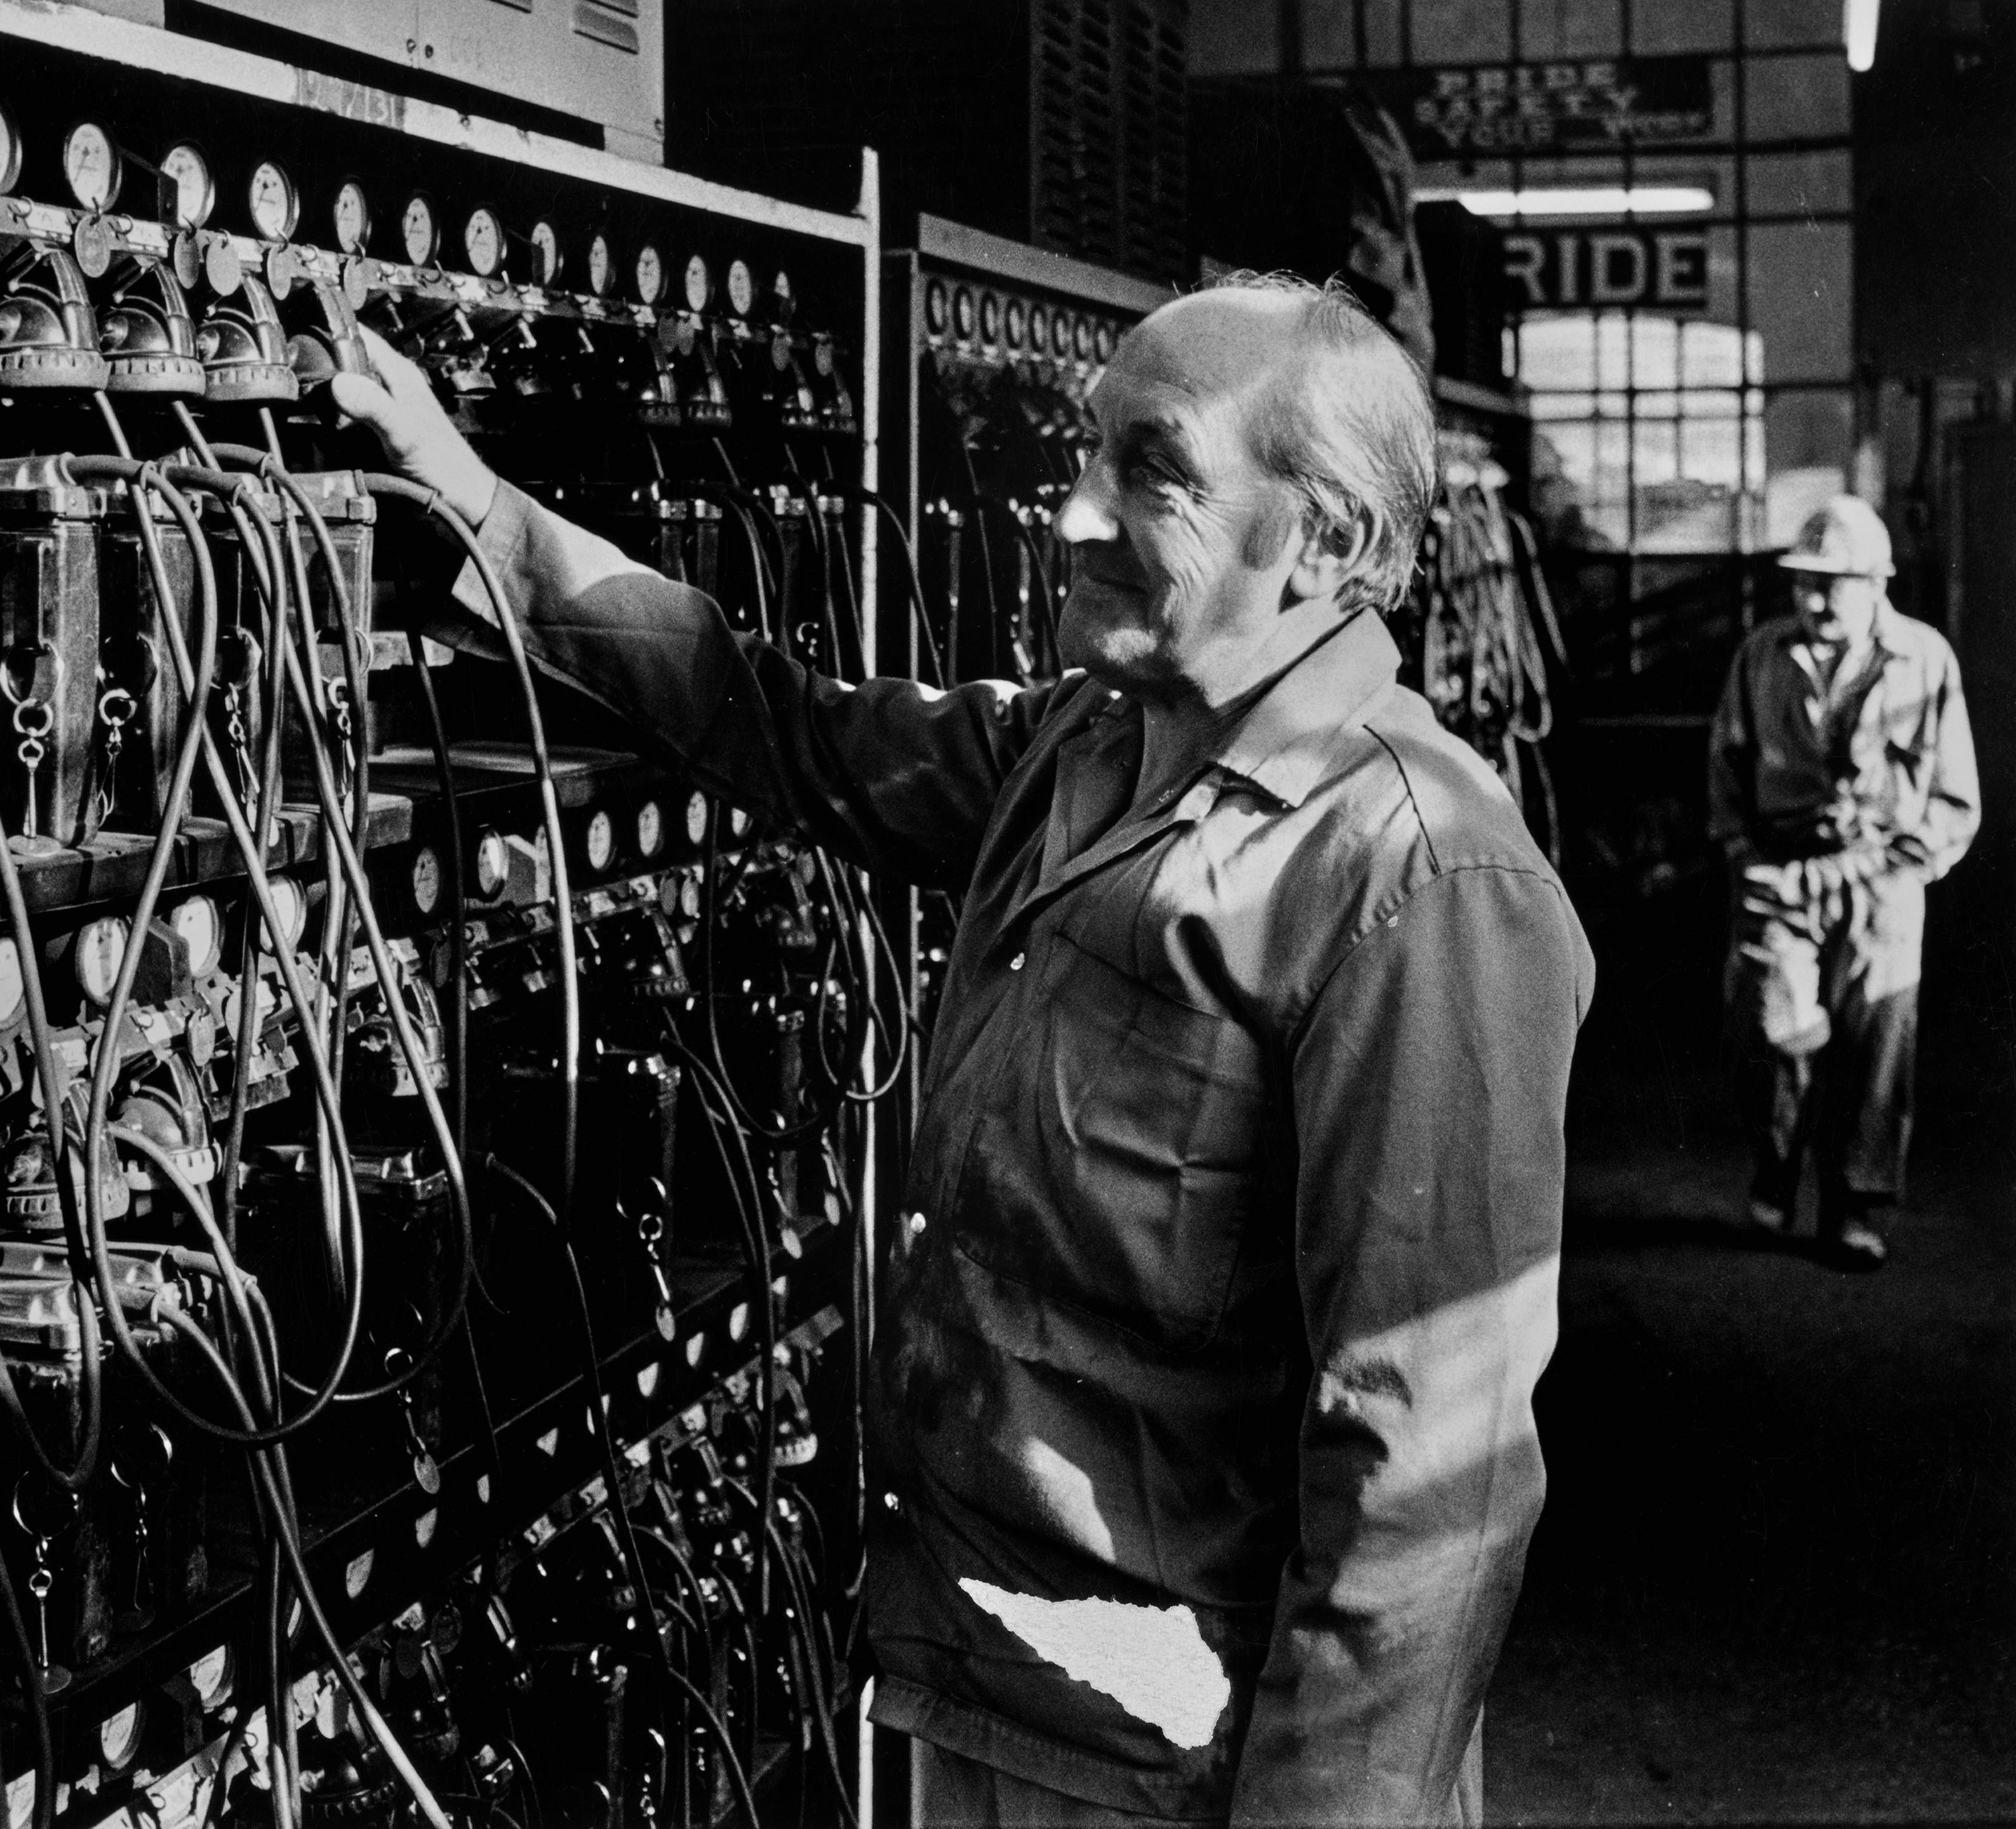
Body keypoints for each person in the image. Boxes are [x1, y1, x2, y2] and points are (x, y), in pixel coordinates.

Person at [334, 272, 1593, 1826]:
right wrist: (479, 513)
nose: (1066, 514)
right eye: (1084, 452)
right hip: (983, 1671)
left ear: (1323, 542)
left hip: (1183, 1751)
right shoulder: (1083, 742)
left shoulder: (1413, 876)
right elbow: (779, 722)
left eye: (1150, 468)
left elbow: (1430, 1480)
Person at [1708, 496, 1977, 1269]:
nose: (1815, 601)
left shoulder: (1925, 660)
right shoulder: (1762, 655)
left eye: (1835, 584)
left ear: (1877, 584)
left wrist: (1906, 863)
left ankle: (1857, 1206)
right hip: (1780, 868)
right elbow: (1725, 764)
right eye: (1803, 584)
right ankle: (1775, 1167)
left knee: (1878, 1042)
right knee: (1768, 1028)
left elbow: (1956, 798)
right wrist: (1741, 856)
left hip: (1883, 874)